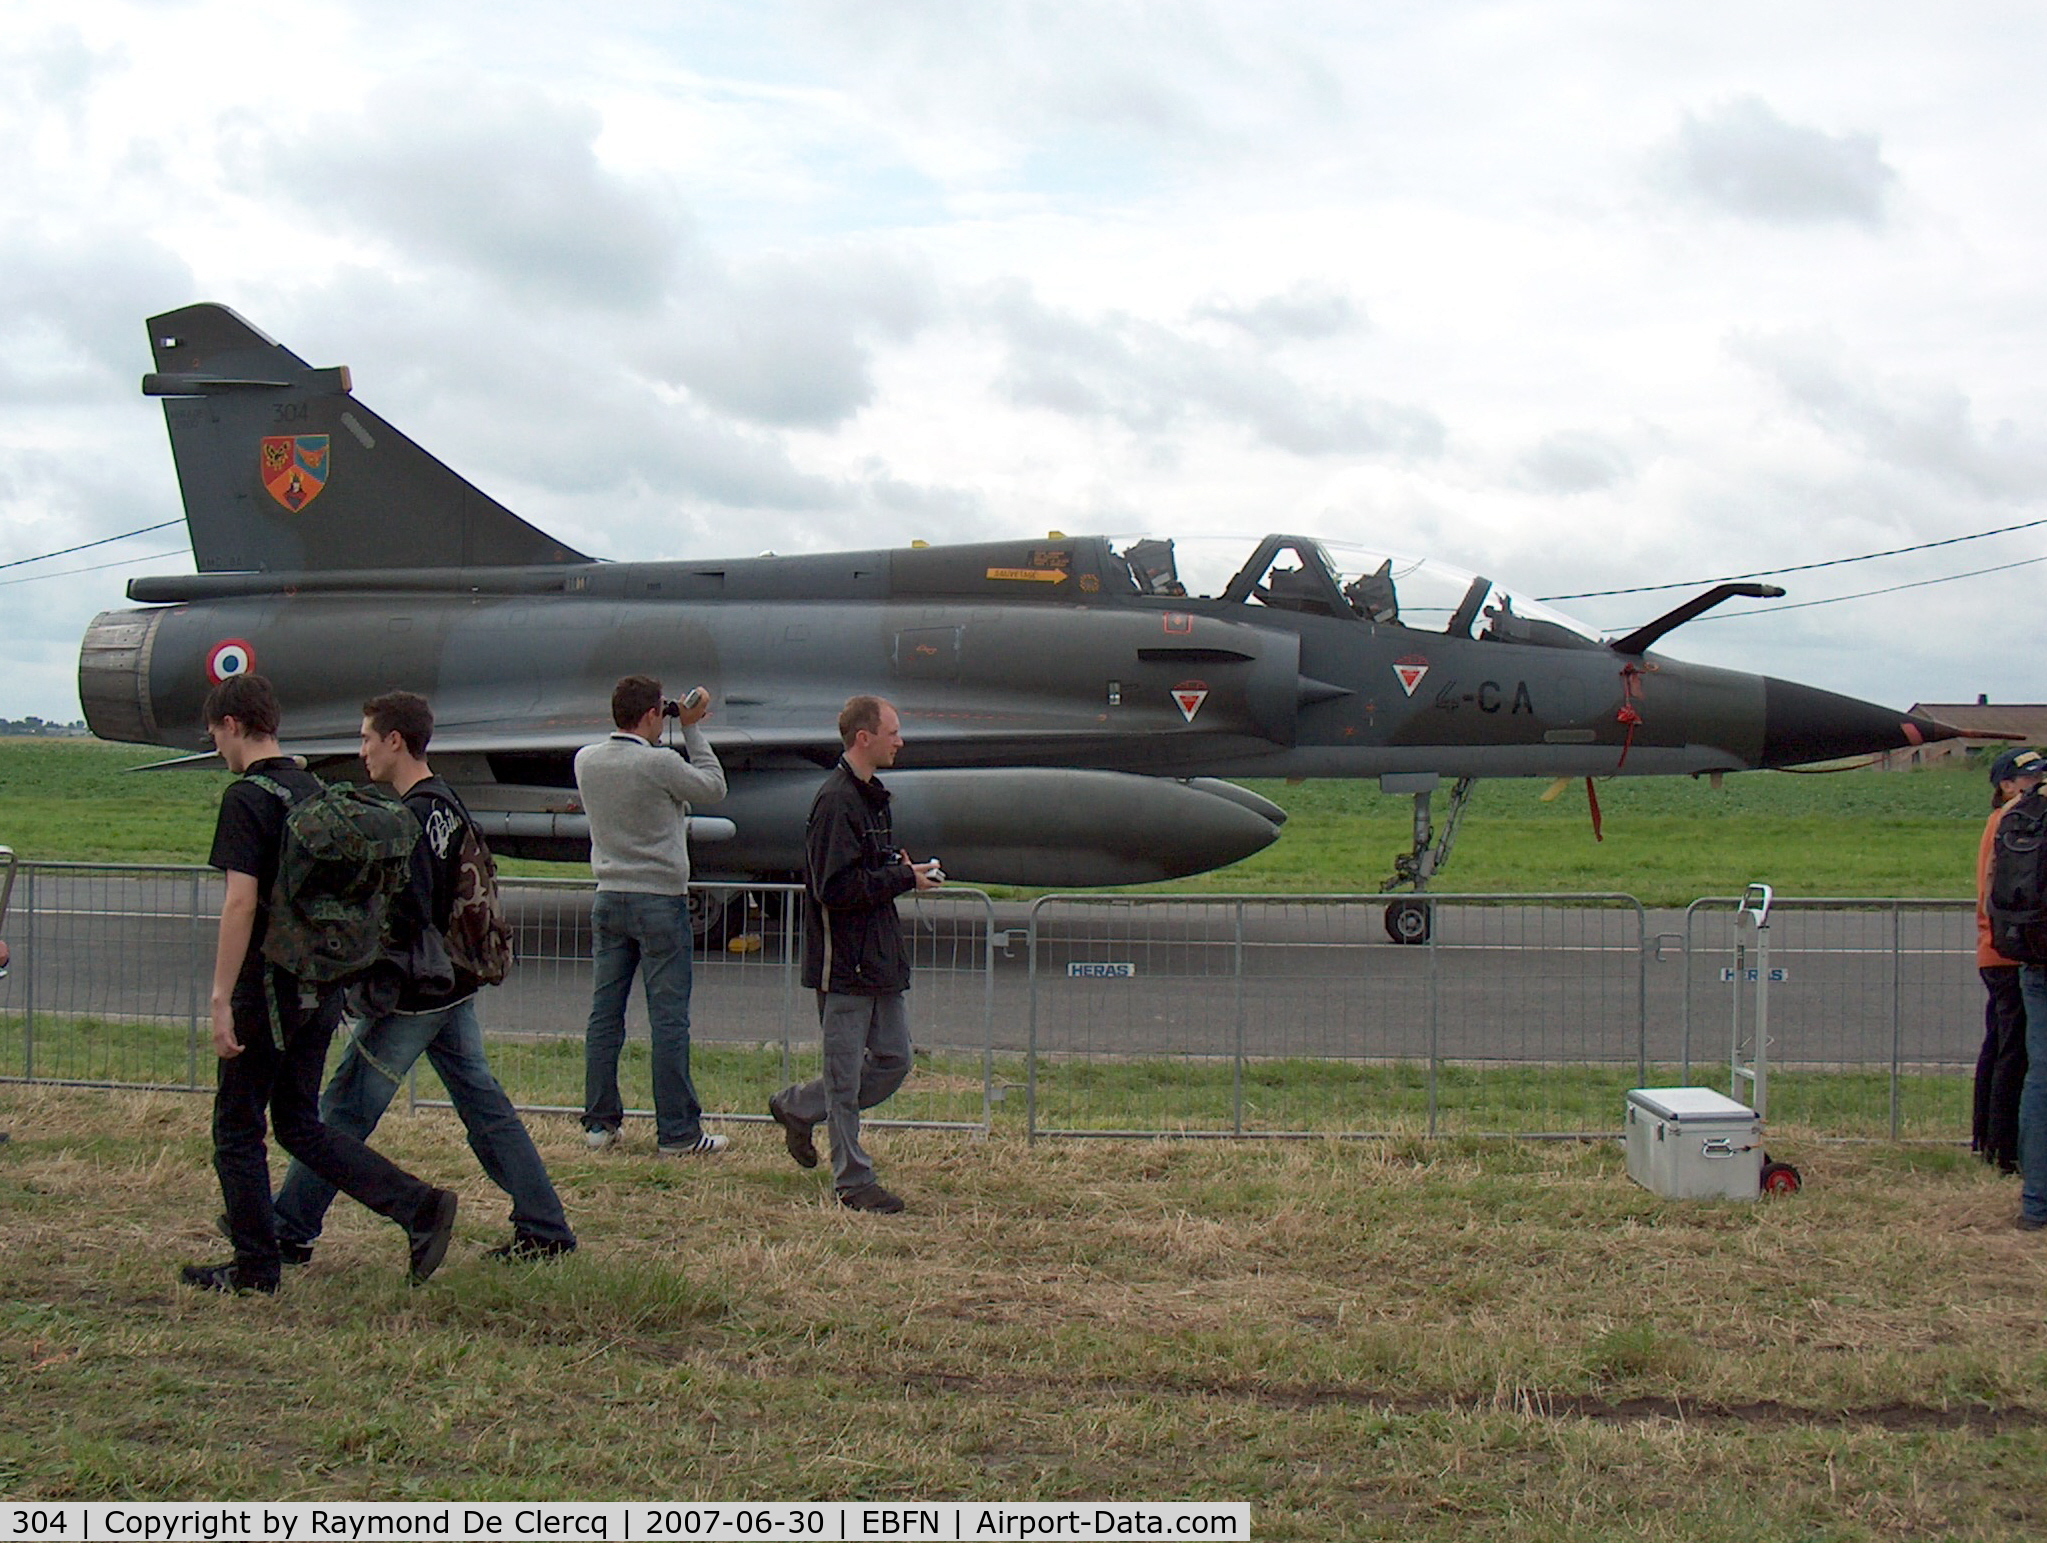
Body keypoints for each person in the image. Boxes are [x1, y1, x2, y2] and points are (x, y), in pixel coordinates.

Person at [269, 692, 577, 1264]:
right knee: (485, 1109)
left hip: (419, 994)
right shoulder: (446, 804)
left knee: (344, 1107)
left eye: (366, 738)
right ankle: (545, 1227)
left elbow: (408, 916)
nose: (360, 750)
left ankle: (289, 1228)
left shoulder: (409, 817)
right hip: (453, 985)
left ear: (394, 740)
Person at [185, 672, 458, 1294]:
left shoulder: (246, 799)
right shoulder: (312, 788)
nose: (218, 748)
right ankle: (416, 1205)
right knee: (299, 1123)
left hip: (269, 986)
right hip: (321, 984)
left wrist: (223, 996)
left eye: (216, 735)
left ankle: (256, 1266)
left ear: (232, 726)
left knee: (236, 1127)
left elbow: (240, 904)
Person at [767, 695, 943, 1213]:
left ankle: (797, 1106)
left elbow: (863, 871)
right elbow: (833, 886)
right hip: (844, 965)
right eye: (892, 731)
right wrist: (899, 876)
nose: (900, 740)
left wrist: (899, 869)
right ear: (863, 738)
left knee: (893, 1061)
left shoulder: (871, 798)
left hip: (880, 960)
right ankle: (853, 1182)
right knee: (844, 1080)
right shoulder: (836, 802)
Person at [575, 675, 728, 1156]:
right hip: (659, 897)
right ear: (648, 716)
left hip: (609, 893)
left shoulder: (587, 759)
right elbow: (713, 786)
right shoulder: (659, 762)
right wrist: (691, 728)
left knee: (605, 1015)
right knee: (667, 1020)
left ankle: (599, 1124)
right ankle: (678, 1132)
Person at [1976, 748, 2044, 1175]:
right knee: (2014, 1052)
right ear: (2008, 785)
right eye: (2031, 778)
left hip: (1999, 946)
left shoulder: (2006, 821)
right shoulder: (2018, 821)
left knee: (1999, 1046)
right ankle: (2006, 1149)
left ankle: (1988, 1139)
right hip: (2010, 949)